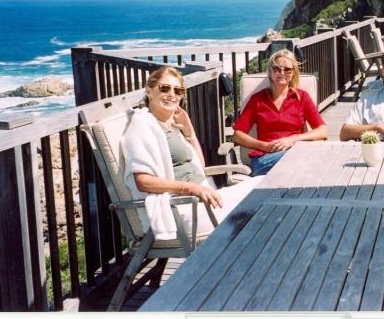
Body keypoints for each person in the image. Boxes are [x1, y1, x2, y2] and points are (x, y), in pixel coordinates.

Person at [121, 66, 260, 237]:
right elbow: (143, 182)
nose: (172, 94)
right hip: (181, 210)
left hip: (202, 200)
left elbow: (199, 166)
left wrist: (190, 132)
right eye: (165, 88)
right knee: (261, 203)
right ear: (149, 91)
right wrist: (192, 188)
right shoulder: (142, 126)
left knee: (267, 184)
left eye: (178, 90)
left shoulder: (171, 126)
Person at [233, 49, 328, 176]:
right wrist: (263, 145)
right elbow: (238, 135)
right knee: (305, 162)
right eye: (277, 69)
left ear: (293, 73)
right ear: (270, 71)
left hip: (296, 154)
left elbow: (323, 131)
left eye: (287, 69)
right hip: (265, 159)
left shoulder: (301, 98)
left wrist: (293, 139)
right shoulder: (258, 99)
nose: (282, 73)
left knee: (300, 162)